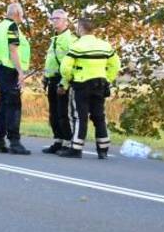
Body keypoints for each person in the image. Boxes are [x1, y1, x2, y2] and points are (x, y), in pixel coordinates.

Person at [58, 17, 120, 159]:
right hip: (100, 84)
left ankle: (76, 148)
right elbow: (115, 65)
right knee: (99, 116)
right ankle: (103, 150)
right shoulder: (105, 45)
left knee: (80, 117)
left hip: (81, 84)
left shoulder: (77, 46)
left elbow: (65, 67)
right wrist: (107, 78)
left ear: (80, 29)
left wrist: (67, 81)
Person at [0, 2, 32, 155]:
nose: (22, 18)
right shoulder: (12, 27)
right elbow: (13, 49)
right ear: (17, 14)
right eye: (21, 15)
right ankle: (15, 142)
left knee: (3, 105)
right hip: (10, 69)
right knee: (14, 105)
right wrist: (20, 71)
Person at [41, 9, 77, 154]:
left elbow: (70, 63)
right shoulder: (55, 38)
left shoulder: (70, 39)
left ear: (65, 21)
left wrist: (64, 83)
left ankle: (68, 142)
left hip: (63, 80)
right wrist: (45, 77)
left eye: (57, 18)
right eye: (52, 18)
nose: (54, 21)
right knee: (54, 112)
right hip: (52, 79)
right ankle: (58, 140)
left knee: (64, 113)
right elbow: (50, 61)